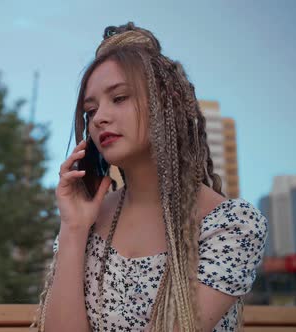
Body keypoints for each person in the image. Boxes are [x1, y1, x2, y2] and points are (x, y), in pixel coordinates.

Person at [31, 22, 268, 332]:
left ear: (165, 103)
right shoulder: (88, 219)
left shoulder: (231, 224)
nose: (100, 117)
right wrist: (73, 228)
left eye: (119, 98)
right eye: (91, 110)